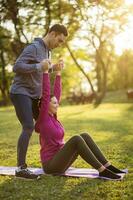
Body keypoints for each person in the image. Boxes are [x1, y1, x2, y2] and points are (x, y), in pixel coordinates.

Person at [35, 63, 125, 181]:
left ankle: (108, 166)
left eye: (57, 102)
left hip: (61, 160)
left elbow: (57, 92)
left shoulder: (54, 117)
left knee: (84, 136)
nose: (58, 104)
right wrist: (45, 72)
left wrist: (58, 73)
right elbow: (46, 95)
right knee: (77, 138)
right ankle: (102, 171)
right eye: (54, 103)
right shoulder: (43, 119)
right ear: (46, 105)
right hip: (51, 165)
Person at [10, 24, 68, 180]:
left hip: (35, 96)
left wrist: (53, 67)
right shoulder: (34, 47)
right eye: (59, 40)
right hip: (21, 92)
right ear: (52, 33)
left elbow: (43, 69)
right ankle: (20, 169)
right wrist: (38, 66)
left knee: (47, 123)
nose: (59, 44)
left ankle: (52, 159)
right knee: (28, 126)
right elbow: (17, 67)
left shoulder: (48, 51)